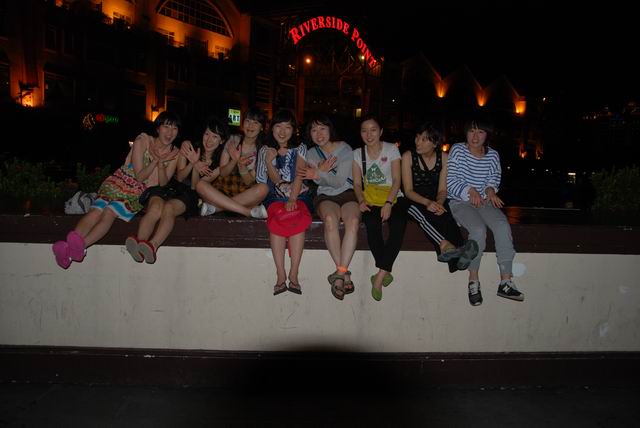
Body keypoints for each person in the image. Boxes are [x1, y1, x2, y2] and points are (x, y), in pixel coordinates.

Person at [52, 111, 181, 269]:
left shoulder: (175, 154)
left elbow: (162, 183)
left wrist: (160, 164)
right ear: (158, 128)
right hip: (120, 182)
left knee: (109, 212)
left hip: (137, 192)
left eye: (174, 128)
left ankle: (77, 249)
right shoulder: (143, 140)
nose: (169, 132)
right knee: (95, 210)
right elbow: (139, 175)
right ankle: (69, 248)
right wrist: (156, 161)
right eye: (166, 126)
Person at [124, 115, 232, 263]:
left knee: (168, 208)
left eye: (215, 136)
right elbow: (180, 177)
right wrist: (192, 162)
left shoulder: (219, 163)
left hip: (191, 195)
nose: (209, 140)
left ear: (222, 140)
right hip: (171, 186)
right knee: (155, 206)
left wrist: (196, 165)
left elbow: (195, 186)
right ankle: (139, 242)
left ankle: (153, 246)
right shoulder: (189, 147)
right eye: (207, 134)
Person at [447, 116, 524, 306]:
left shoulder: (493, 155)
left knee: (501, 225)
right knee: (478, 230)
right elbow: (451, 180)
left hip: (483, 203)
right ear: (466, 132)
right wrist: (470, 190)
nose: (475, 136)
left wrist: (490, 191)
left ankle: (506, 281)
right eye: (472, 131)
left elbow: (493, 179)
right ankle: (473, 280)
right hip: (459, 201)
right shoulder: (457, 150)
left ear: (487, 135)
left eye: (480, 131)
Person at [401, 121, 478, 273]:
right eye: (417, 137)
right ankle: (446, 246)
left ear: (435, 142)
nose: (418, 142)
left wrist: (440, 202)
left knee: (446, 215)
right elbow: (408, 190)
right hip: (413, 200)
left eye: (424, 139)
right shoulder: (408, 156)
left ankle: (458, 256)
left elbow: (443, 189)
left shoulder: (444, 158)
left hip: (435, 198)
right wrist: (428, 203)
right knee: (424, 216)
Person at [299, 114, 360, 300]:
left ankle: (339, 274)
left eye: (322, 128)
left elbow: (339, 180)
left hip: (348, 193)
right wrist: (320, 173)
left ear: (330, 129)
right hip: (325, 196)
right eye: (314, 130)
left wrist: (318, 173)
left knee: (354, 221)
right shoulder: (310, 154)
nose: (319, 134)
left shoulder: (344, 149)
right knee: (330, 220)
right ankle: (343, 272)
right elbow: (310, 179)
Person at [352, 115, 408, 301]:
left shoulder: (391, 149)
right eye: (364, 130)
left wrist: (389, 203)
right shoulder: (357, 154)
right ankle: (384, 270)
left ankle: (379, 276)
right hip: (370, 199)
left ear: (381, 131)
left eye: (373, 129)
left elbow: (397, 180)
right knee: (371, 223)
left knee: (399, 224)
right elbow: (358, 185)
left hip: (393, 197)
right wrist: (360, 200)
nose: (369, 134)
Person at [256, 109, 312, 296]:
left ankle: (294, 273)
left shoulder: (301, 148)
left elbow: (300, 174)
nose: (282, 131)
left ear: (293, 129)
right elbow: (268, 178)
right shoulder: (265, 149)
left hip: (298, 194)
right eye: (278, 126)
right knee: (276, 219)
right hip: (273, 195)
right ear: (271, 129)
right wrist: (271, 162)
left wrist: (292, 198)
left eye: (287, 127)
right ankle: (280, 274)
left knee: (297, 218)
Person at [199, 107, 269, 217]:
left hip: (244, 194)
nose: (250, 126)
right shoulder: (233, 140)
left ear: (261, 128)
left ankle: (217, 208)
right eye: (247, 121)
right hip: (223, 189)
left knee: (263, 188)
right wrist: (234, 161)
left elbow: (249, 182)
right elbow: (223, 173)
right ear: (242, 123)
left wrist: (242, 167)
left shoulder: (263, 150)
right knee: (201, 185)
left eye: (255, 123)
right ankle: (247, 212)